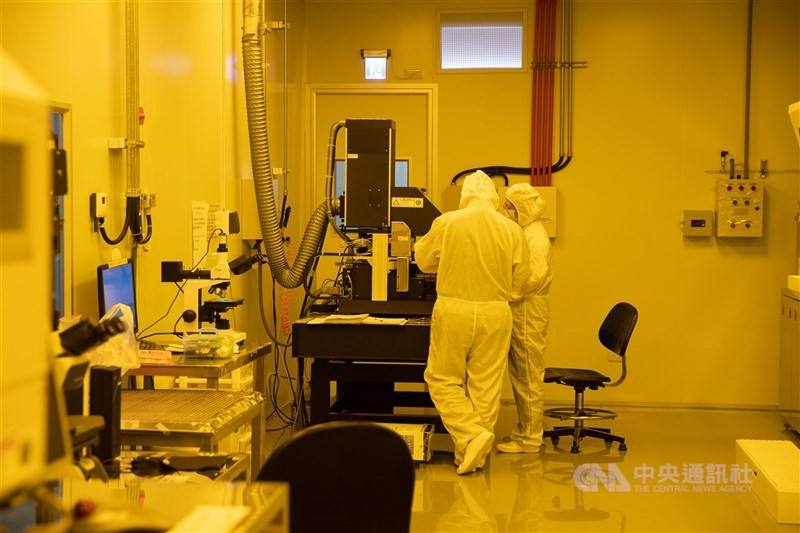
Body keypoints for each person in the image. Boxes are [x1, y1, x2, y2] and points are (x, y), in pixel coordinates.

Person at [414, 170, 530, 474]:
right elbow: (522, 278)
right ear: (493, 196)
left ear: (465, 194)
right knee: (486, 386)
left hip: (455, 309)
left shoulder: (448, 222)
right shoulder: (511, 229)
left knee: (442, 379)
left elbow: (424, 261)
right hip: (496, 312)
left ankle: (469, 436)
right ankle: (472, 454)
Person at [497, 183, 552, 454]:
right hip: (522, 307)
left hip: (528, 309)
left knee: (528, 373)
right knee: (521, 372)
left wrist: (508, 293)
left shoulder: (535, 235)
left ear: (523, 208)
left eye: (510, 206)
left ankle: (530, 438)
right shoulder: (524, 232)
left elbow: (534, 276)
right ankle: (525, 430)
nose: (505, 210)